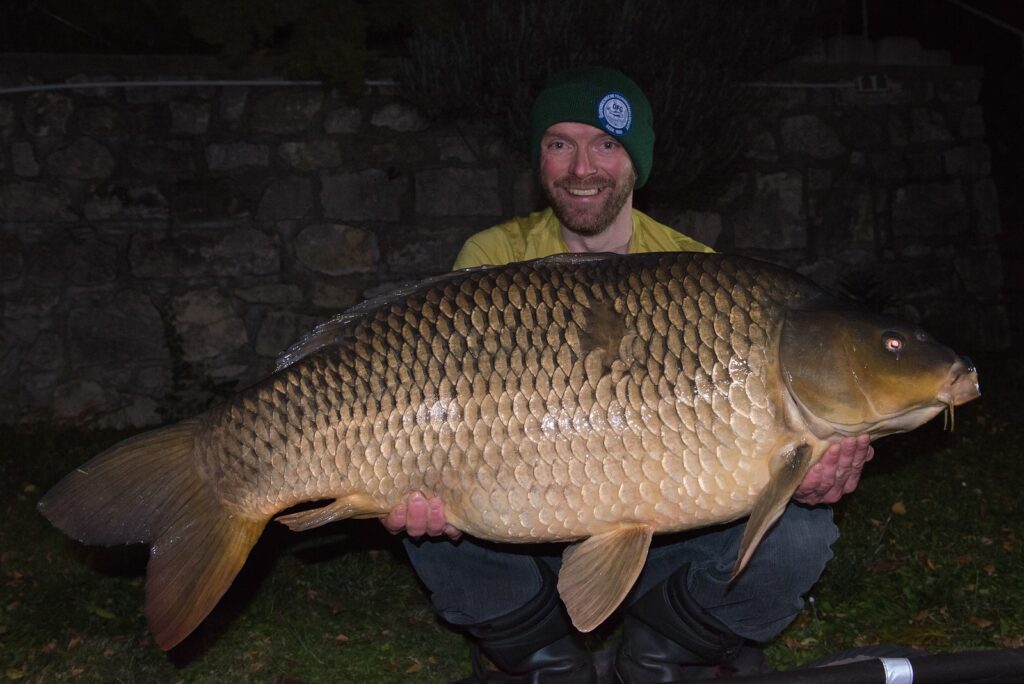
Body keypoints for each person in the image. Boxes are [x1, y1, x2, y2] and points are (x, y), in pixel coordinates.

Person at [383, 67, 874, 683]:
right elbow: (439, 396)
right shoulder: (493, 257)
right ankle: (540, 655)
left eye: (606, 144)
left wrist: (805, 475)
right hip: (521, 524)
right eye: (559, 144)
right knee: (429, 522)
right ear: (539, 158)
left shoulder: (699, 271)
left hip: (668, 538)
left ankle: (666, 650)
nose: (581, 167)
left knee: (798, 535)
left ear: (636, 162)